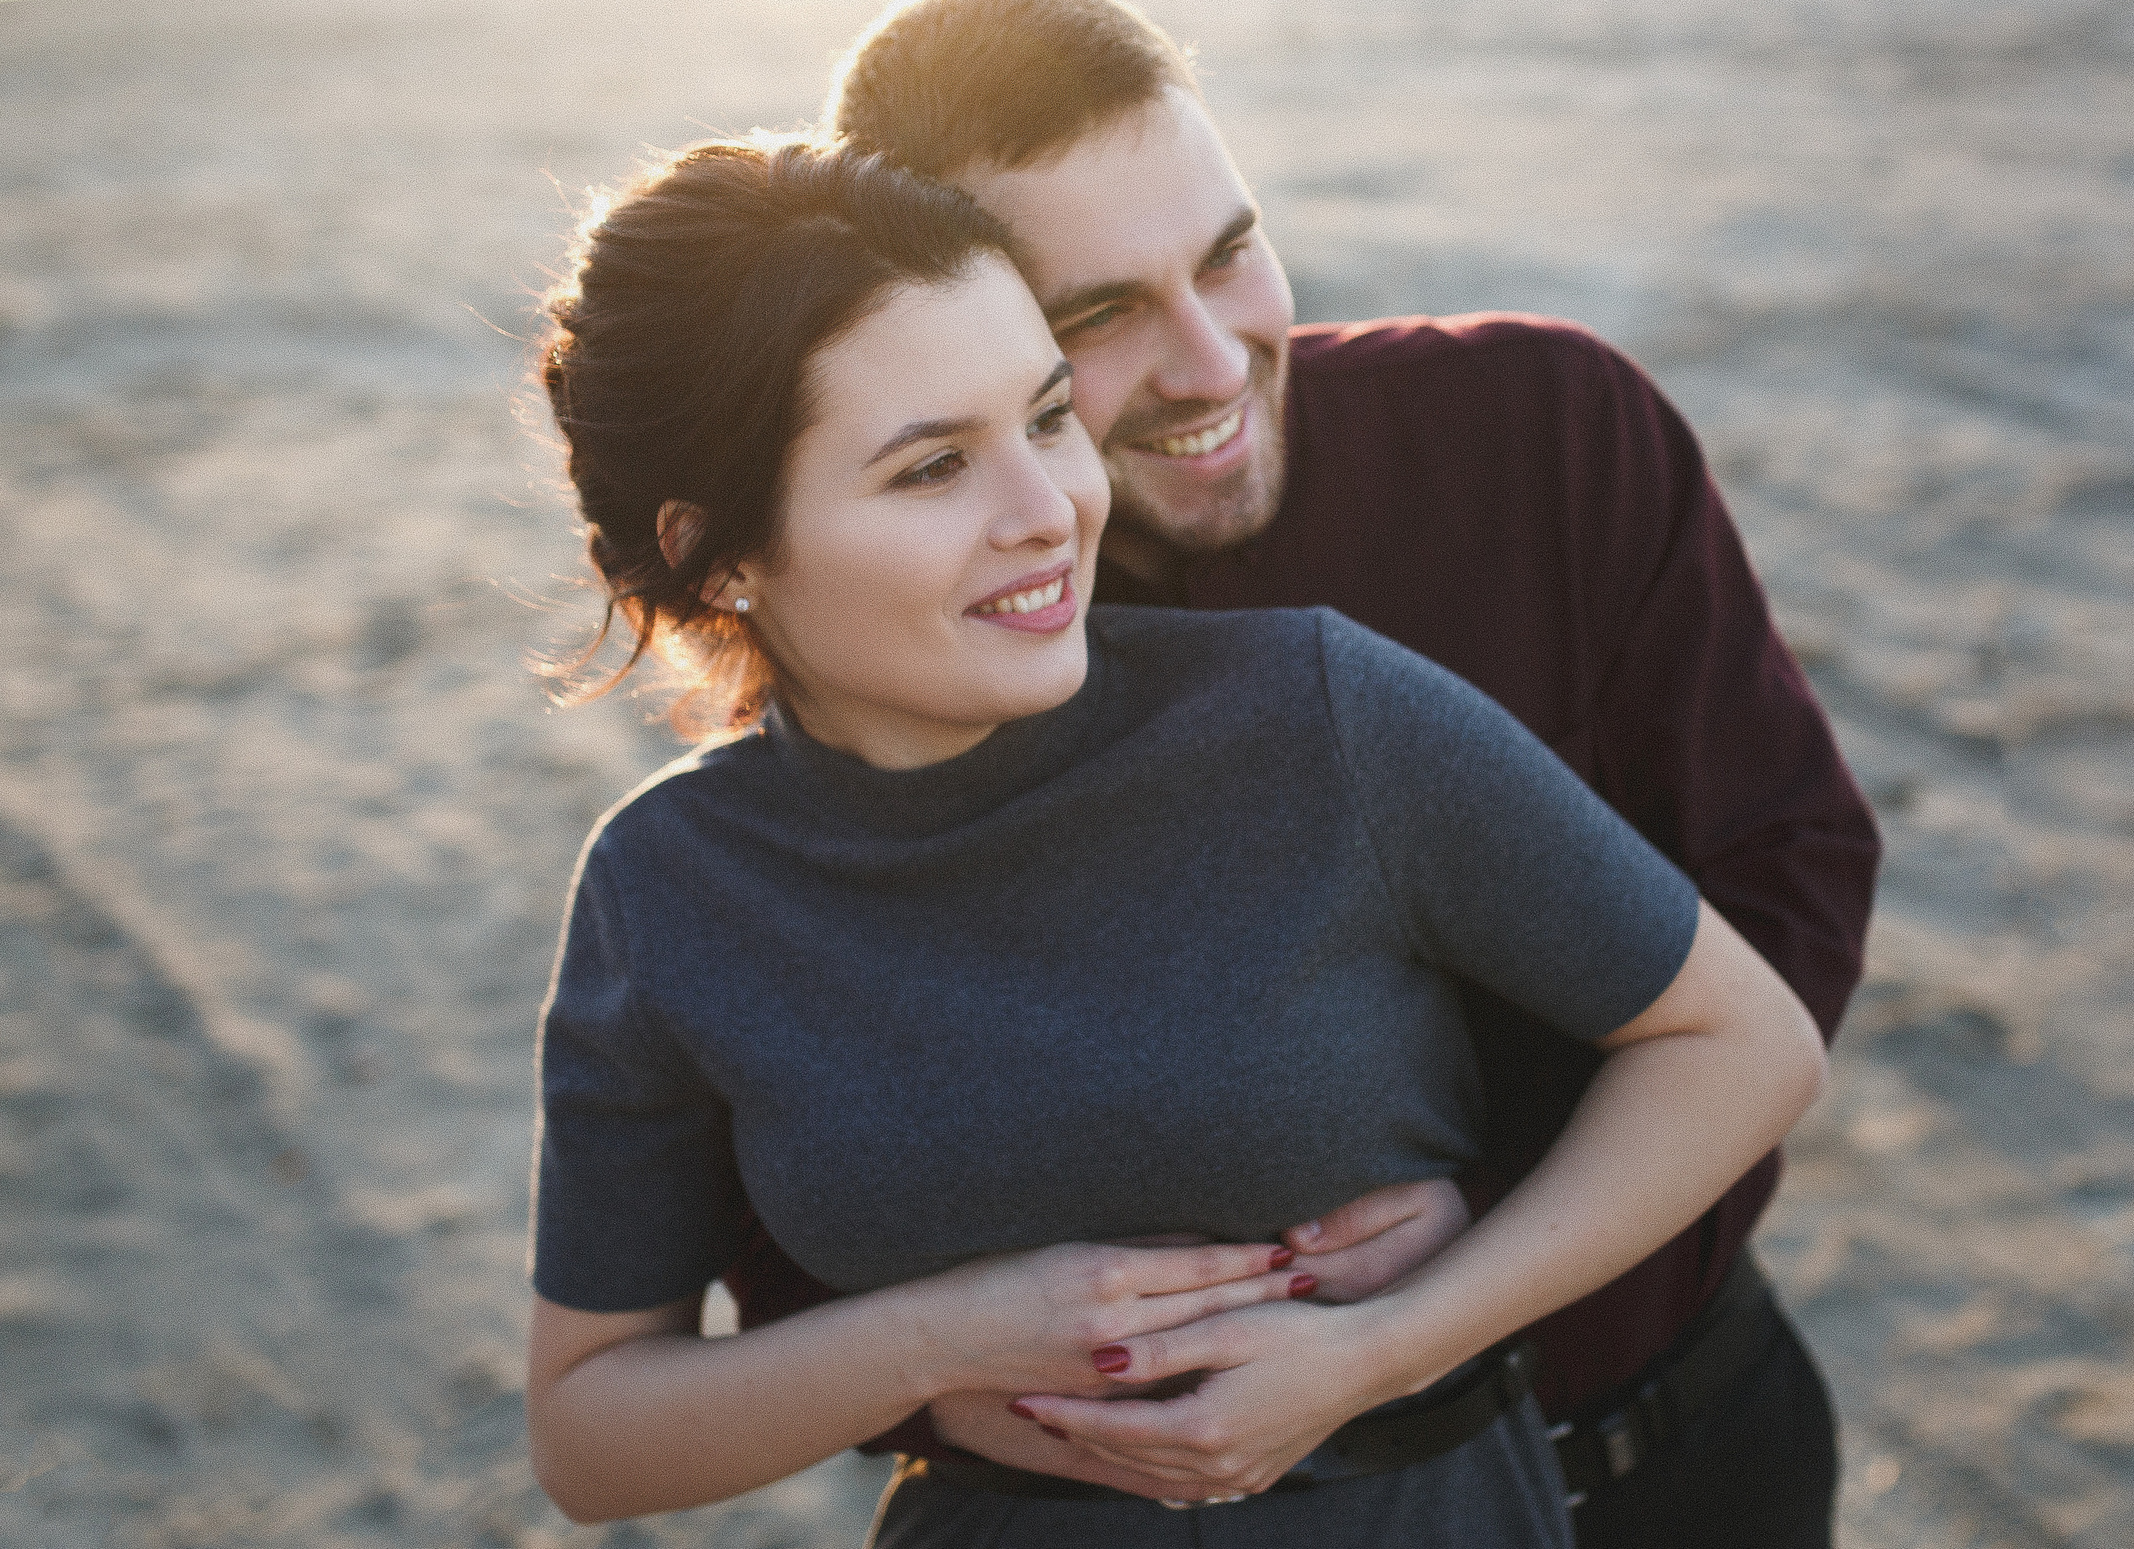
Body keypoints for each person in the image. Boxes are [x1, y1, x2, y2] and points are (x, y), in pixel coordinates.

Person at [523, 135, 1828, 1545]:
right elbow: (594, 1434)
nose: (1048, 514)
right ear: (716, 551)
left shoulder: (1318, 716)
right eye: (933, 469)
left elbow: (1743, 1045)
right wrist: (945, 1340)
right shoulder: (664, 894)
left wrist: (1389, 1346)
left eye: (1042, 420)